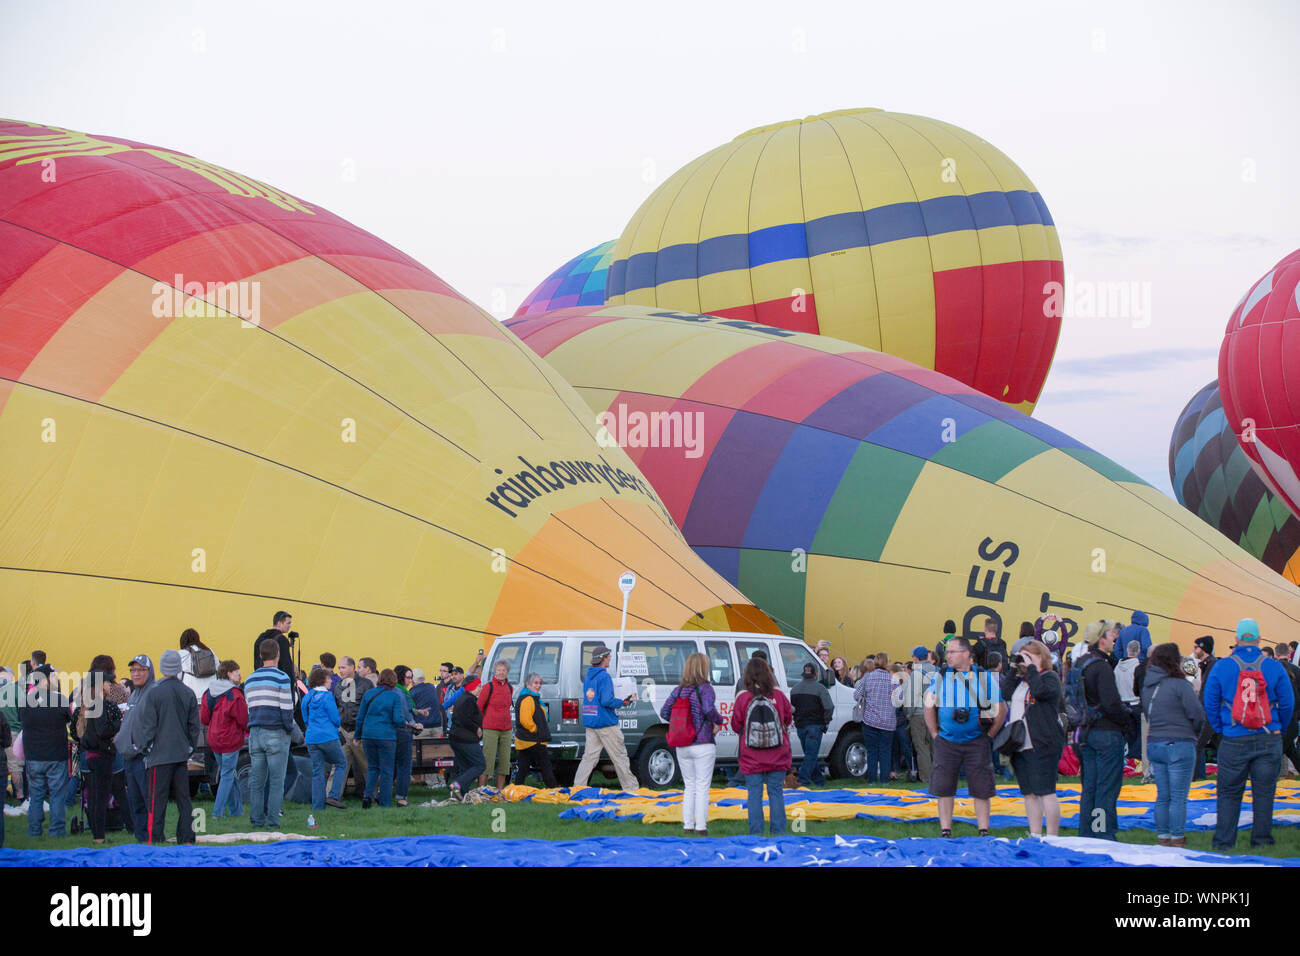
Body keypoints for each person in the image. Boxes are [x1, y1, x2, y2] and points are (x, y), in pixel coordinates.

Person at [1204, 619, 1295, 851]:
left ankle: (1224, 842)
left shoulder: (1222, 666)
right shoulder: (1273, 667)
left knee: (1229, 793)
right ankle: (1262, 841)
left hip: (1234, 737)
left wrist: (1221, 729)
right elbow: (1287, 703)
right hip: (1268, 736)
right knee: (1264, 793)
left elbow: (1210, 702)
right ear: (1259, 639)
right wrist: (1279, 729)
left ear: (1236, 639)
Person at [924, 636, 1005, 837]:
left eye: (952, 652)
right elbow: (928, 706)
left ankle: (983, 830)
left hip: (977, 740)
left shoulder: (984, 678)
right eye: (947, 652)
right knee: (944, 788)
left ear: (967, 654)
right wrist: (935, 734)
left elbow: (1001, 709)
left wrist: (990, 735)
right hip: (947, 740)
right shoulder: (941, 676)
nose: (948, 656)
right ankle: (945, 830)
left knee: (982, 787)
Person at [1140, 642, 1206, 847]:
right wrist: (1192, 734)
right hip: (1179, 743)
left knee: (1163, 795)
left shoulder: (1148, 687)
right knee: (1178, 797)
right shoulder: (1180, 685)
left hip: (1155, 743)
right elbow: (1197, 715)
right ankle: (1177, 837)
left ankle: (1163, 837)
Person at [135, 650, 200, 845]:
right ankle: (187, 838)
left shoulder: (153, 692)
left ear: (162, 668)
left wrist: (145, 747)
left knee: (157, 800)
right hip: (180, 755)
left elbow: (147, 726)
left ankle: (155, 838)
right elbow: (194, 727)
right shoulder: (187, 693)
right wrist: (190, 747)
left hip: (159, 755)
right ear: (179, 669)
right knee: (184, 799)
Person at [1001, 640, 1065, 836]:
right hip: (1020, 743)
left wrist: (1032, 669)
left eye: (1029, 655)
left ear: (1041, 656)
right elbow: (1005, 692)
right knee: (1028, 792)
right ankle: (1035, 833)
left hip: (1043, 742)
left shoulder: (1050, 678)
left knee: (1045, 790)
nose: (1025, 659)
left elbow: (1040, 691)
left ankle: (1052, 835)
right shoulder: (1023, 681)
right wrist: (1014, 668)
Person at [1076, 620, 1130, 840]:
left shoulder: (1080, 663)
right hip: (1106, 732)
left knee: (1089, 786)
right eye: (1110, 635)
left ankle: (1087, 831)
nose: (1113, 639)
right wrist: (1127, 721)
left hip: (1085, 732)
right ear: (1101, 639)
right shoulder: (1102, 667)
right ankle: (1102, 833)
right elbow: (1111, 703)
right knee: (1106, 788)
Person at [731, 655, 793, 835]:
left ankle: (756, 834)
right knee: (776, 793)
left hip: (751, 756)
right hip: (777, 753)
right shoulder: (779, 695)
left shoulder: (743, 698)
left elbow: (736, 725)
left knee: (754, 795)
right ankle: (778, 832)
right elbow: (788, 719)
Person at [71, 658, 127, 845]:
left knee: (92, 796)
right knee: (106, 795)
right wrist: (118, 723)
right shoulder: (103, 702)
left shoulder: (83, 700)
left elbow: (74, 730)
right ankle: (101, 836)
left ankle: (96, 833)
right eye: (106, 682)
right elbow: (104, 730)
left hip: (88, 755)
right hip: (103, 754)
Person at [573, 646, 638, 792]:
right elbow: (606, 701)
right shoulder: (604, 676)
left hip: (591, 722)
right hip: (606, 723)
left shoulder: (588, 676)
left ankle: (577, 787)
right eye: (608, 656)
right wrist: (623, 702)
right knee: (619, 756)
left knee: (589, 758)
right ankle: (631, 789)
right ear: (603, 658)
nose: (610, 658)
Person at [245, 638, 295, 829]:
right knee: (276, 780)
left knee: (257, 780)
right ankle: (273, 820)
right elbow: (286, 709)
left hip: (255, 732)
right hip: (276, 731)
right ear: (278, 655)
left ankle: (256, 820)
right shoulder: (282, 678)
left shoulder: (250, 680)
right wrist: (289, 730)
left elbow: (249, 705)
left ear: (260, 655)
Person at [23, 665, 72, 838]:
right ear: (44, 679)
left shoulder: (26, 702)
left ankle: (34, 831)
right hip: (55, 756)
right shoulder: (59, 700)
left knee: (36, 796)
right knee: (57, 795)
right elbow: (69, 719)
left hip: (34, 757)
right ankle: (57, 831)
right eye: (53, 677)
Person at [114, 654, 155, 842]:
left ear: (150, 671)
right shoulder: (134, 694)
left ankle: (153, 837)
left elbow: (154, 725)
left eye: (140, 670)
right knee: (135, 802)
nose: (136, 674)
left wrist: (140, 746)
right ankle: (141, 839)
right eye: (133, 670)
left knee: (148, 802)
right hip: (129, 757)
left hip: (143, 757)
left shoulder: (152, 693)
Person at [201, 660, 248, 819]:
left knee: (230, 773)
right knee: (227, 775)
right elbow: (243, 720)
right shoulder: (235, 694)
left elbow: (204, 718)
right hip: (230, 739)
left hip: (214, 738)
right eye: (237, 672)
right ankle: (218, 812)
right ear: (229, 673)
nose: (239, 674)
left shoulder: (208, 692)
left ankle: (237, 811)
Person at [355, 668, 406, 808]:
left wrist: (357, 736)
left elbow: (360, 717)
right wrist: (405, 724)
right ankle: (385, 802)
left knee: (372, 768)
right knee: (387, 770)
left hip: (367, 735)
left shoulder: (368, 694)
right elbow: (397, 719)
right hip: (386, 736)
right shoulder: (394, 696)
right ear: (393, 680)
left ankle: (367, 796)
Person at [302, 666, 347, 810]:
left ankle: (318, 806)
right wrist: (336, 725)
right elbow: (335, 718)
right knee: (341, 763)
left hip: (312, 738)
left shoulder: (308, 696)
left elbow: (305, 716)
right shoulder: (327, 696)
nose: (331, 682)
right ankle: (333, 795)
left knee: (317, 772)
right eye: (328, 679)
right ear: (323, 680)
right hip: (328, 736)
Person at [334, 656, 373, 798]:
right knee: (339, 765)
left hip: (359, 730)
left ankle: (372, 795)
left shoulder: (366, 684)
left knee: (366, 766)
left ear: (352, 667)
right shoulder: (338, 686)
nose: (340, 671)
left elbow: (370, 707)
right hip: (343, 730)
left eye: (343, 667)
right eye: (339, 668)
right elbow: (336, 707)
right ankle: (332, 796)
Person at [789, 661, 832, 786]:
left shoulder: (794, 689)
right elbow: (829, 707)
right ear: (815, 675)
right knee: (811, 755)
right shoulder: (820, 688)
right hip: (815, 725)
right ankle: (803, 780)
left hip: (800, 726)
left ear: (803, 674)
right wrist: (826, 720)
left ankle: (819, 780)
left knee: (809, 754)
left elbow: (793, 708)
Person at [854, 657, 894, 784]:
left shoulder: (867, 677)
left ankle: (872, 780)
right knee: (885, 751)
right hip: (888, 721)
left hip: (870, 719)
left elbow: (856, 695)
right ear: (887, 664)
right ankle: (884, 780)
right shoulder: (893, 679)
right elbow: (900, 700)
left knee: (871, 751)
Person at [514, 672, 558, 788]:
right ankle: (554, 788)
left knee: (523, 768)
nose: (538, 686)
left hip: (526, 740)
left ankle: (517, 789)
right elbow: (525, 720)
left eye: (540, 683)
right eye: (535, 683)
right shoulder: (528, 699)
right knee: (545, 766)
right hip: (534, 740)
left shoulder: (532, 698)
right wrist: (536, 729)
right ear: (528, 684)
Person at [900, 647, 937, 783]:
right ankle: (939, 776)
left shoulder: (916, 674)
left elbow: (912, 698)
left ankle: (927, 778)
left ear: (916, 658)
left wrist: (908, 714)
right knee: (935, 747)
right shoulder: (938, 671)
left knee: (922, 748)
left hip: (919, 714)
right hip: (935, 714)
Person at [478, 660, 514, 790]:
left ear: (507, 672)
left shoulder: (509, 687)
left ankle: (499, 791)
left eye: (503, 670)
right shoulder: (488, 687)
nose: (501, 672)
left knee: (505, 761)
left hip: (506, 728)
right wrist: (479, 726)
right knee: (488, 760)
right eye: (499, 670)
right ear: (494, 671)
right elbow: (479, 708)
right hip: (490, 728)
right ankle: (481, 790)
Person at [448, 682, 487, 801]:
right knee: (480, 765)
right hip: (466, 739)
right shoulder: (469, 700)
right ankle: (457, 785)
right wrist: (476, 728)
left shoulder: (463, 698)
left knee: (465, 768)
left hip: (456, 738)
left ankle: (460, 795)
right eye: (478, 686)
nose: (481, 688)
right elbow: (464, 719)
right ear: (472, 687)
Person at [391, 665, 423, 806]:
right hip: (403, 731)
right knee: (404, 765)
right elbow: (403, 712)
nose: (411, 680)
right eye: (408, 677)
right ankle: (401, 797)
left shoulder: (394, 690)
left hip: (392, 732)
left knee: (390, 765)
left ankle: (382, 793)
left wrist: (417, 711)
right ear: (400, 677)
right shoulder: (400, 692)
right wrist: (415, 724)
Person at [253, 610, 298, 695]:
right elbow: (287, 666)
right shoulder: (282, 640)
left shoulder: (260, 638)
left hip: (261, 683)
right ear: (279, 623)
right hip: (277, 685)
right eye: (288, 623)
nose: (290, 626)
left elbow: (256, 663)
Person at [1114, 639, 1143, 759]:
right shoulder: (1138, 668)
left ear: (1127, 650)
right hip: (1135, 703)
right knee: (1140, 733)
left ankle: (1127, 756)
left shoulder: (1117, 667)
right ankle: (1134, 757)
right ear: (1139, 651)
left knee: (1127, 733)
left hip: (1121, 703)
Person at [1274, 643, 1300, 775]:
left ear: (1276, 654)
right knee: (1290, 750)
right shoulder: (1296, 670)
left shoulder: (1275, 670)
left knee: (1275, 751)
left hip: (1282, 718)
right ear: (1289, 654)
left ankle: (1268, 776)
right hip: (1293, 718)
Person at [1, 665, 24, 802]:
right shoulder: (15, 689)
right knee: (15, 766)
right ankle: (20, 796)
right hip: (12, 731)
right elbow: (23, 707)